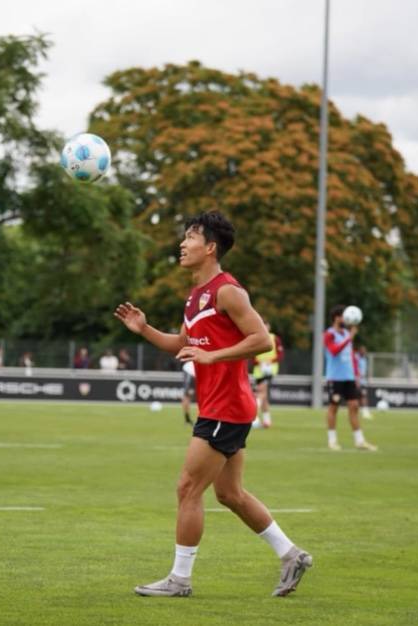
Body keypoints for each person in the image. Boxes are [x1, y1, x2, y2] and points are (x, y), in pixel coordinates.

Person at [114, 211, 312, 598]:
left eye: (190, 237)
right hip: (221, 407)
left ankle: (179, 580)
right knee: (229, 494)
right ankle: (292, 555)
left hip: (227, 407)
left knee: (188, 488)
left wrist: (213, 355)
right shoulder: (194, 297)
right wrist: (144, 329)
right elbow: (180, 344)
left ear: (210, 247)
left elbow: (262, 340)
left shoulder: (228, 291)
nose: (182, 244)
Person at [324, 305, 377, 452]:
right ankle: (332, 441)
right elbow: (334, 351)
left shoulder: (346, 334)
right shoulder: (329, 334)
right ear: (336, 318)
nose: (346, 320)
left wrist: (356, 374)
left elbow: (351, 356)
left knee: (354, 406)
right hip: (335, 378)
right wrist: (349, 338)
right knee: (333, 407)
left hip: (349, 377)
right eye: (343, 317)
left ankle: (360, 441)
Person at [251, 322, 283, 429]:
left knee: (261, 392)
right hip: (258, 371)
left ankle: (253, 417)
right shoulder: (255, 338)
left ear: (269, 327)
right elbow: (252, 355)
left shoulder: (274, 338)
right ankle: (267, 421)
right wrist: (259, 363)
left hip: (269, 371)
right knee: (264, 396)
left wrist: (270, 361)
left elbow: (280, 354)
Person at [355, 345, 372, 420]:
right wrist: (357, 378)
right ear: (360, 351)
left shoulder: (364, 359)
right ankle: (362, 412)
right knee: (359, 396)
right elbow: (355, 369)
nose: (364, 352)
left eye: (365, 351)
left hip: (363, 381)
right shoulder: (356, 358)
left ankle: (364, 412)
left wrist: (367, 378)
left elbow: (364, 370)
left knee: (363, 395)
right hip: (357, 381)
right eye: (363, 350)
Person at [181, 360, 196, 426]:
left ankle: (187, 419)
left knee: (187, 396)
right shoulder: (189, 367)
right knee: (187, 396)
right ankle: (187, 419)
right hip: (191, 371)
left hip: (192, 370)